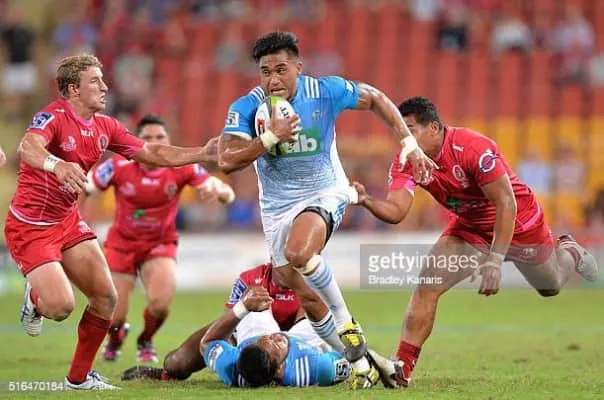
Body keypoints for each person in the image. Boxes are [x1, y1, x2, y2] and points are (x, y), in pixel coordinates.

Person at [217, 31, 436, 388]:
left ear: (299, 68)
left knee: (299, 252)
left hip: (325, 192)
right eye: (265, 71)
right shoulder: (247, 107)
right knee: (305, 294)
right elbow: (227, 161)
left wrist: (409, 144)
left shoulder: (324, 91)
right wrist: (269, 138)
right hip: (276, 208)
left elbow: (376, 98)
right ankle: (367, 363)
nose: (273, 80)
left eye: (281, 69)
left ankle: (345, 321)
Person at [352, 96, 599, 388]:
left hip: (519, 222)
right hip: (470, 227)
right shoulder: (407, 160)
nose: (404, 138)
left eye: (410, 130)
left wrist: (495, 260)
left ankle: (569, 250)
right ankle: (402, 370)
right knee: (428, 284)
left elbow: (506, 203)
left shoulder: (472, 147)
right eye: (400, 131)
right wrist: (366, 200)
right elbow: (396, 211)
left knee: (551, 285)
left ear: (434, 128)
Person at [4, 54, 217, 390]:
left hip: (67, 222)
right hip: (31, 227)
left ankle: (78, 379)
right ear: (73, 89)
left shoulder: (106, 127)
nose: (104, 87)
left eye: (103, 80)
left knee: (106, 298)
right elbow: (28, 146)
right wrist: (57, 165)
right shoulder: (53, 116)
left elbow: (153, 153)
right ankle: (36, 299)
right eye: (95, 81)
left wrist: (202, 152)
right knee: (60, 307)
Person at [84, 114, 235, 364]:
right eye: (147, 137)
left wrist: (218, 191)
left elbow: (227, 193)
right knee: (114, 315)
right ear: (136, 142)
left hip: (160, 244)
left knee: (160, 305)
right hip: (121, 244)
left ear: (168, 140)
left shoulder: (182, 167)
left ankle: (146, 339)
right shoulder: (118, 165)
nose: (154, 141)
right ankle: (116, 336)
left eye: (160, 137)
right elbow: (87, 186)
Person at [121, 261, 330, 381]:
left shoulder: (312, 282)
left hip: (294, 341)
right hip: (249, 337)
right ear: (273, 257)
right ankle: (166, 375)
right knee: (176, 363)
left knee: (312, 310)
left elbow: (323, 323)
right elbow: (232, 323)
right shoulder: (250, 279)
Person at [199, 285, 351, 388]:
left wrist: (242, 307)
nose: (276, 336)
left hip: (254, 334)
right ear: (279, 369)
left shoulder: (230, 366)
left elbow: (207, 342)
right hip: (305, 343)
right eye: (277, 344)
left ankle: (238, 336)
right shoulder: (314, 368)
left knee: (253, 294)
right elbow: (349, 359)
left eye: (266, 340)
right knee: (315, 300)